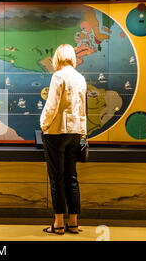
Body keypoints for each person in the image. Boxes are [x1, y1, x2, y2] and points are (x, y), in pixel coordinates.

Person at [40, 44, 87, 235]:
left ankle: (58, 223)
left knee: (57, 178)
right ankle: (74, 223)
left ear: (57, 58)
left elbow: (51, 106)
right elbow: (83, 108)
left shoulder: (58, 76)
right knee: (72, 177)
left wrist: (44, 124)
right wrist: (82, 132)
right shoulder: (80, 78)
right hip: (75, 132)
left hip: (57, 132)